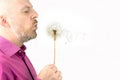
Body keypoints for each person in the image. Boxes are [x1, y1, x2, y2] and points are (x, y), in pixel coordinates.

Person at [0, 0, 62, 80]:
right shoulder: (1, 62)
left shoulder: (19, 54)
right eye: (26, 11)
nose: (36, 14)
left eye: (32, 9)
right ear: (4, 21)